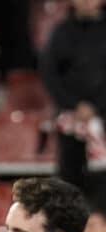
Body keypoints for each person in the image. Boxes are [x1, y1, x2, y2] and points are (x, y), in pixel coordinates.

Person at [40, 0, 106, 198]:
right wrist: (74, 105)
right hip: (71, 122)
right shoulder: (60, 33)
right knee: (69, 185)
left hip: (103, 116)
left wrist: (97, 106)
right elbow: (50, 74)